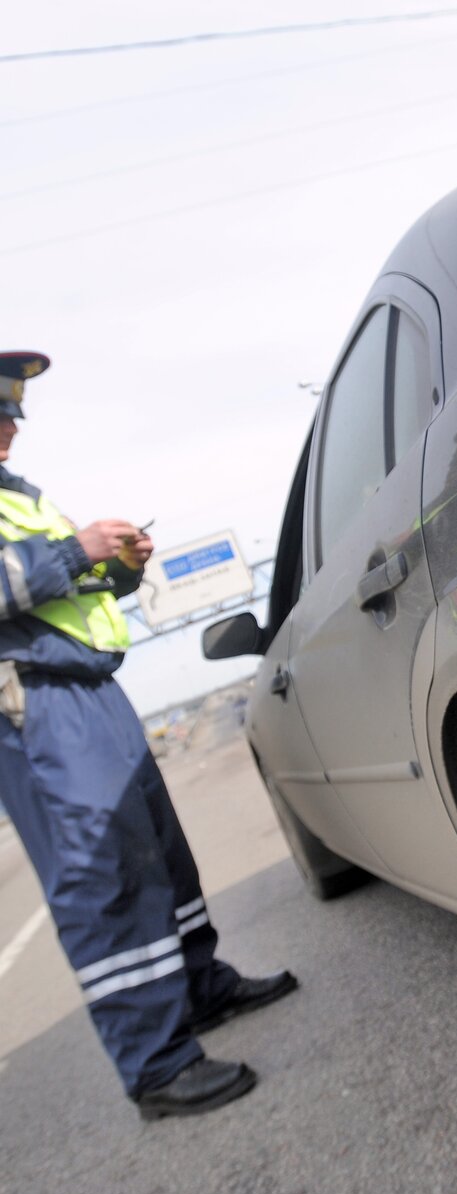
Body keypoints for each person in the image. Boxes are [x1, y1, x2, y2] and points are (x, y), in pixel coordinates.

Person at [0, 351, 297, 1119]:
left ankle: (199, 989)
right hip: (36, 706)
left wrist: (122, 569)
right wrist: (76, 550)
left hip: (89, 692)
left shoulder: (16, 499)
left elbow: (71, 590)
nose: (9, 428)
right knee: (103, 878)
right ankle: (156, 1064)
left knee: (159, 854)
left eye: (12, 414)